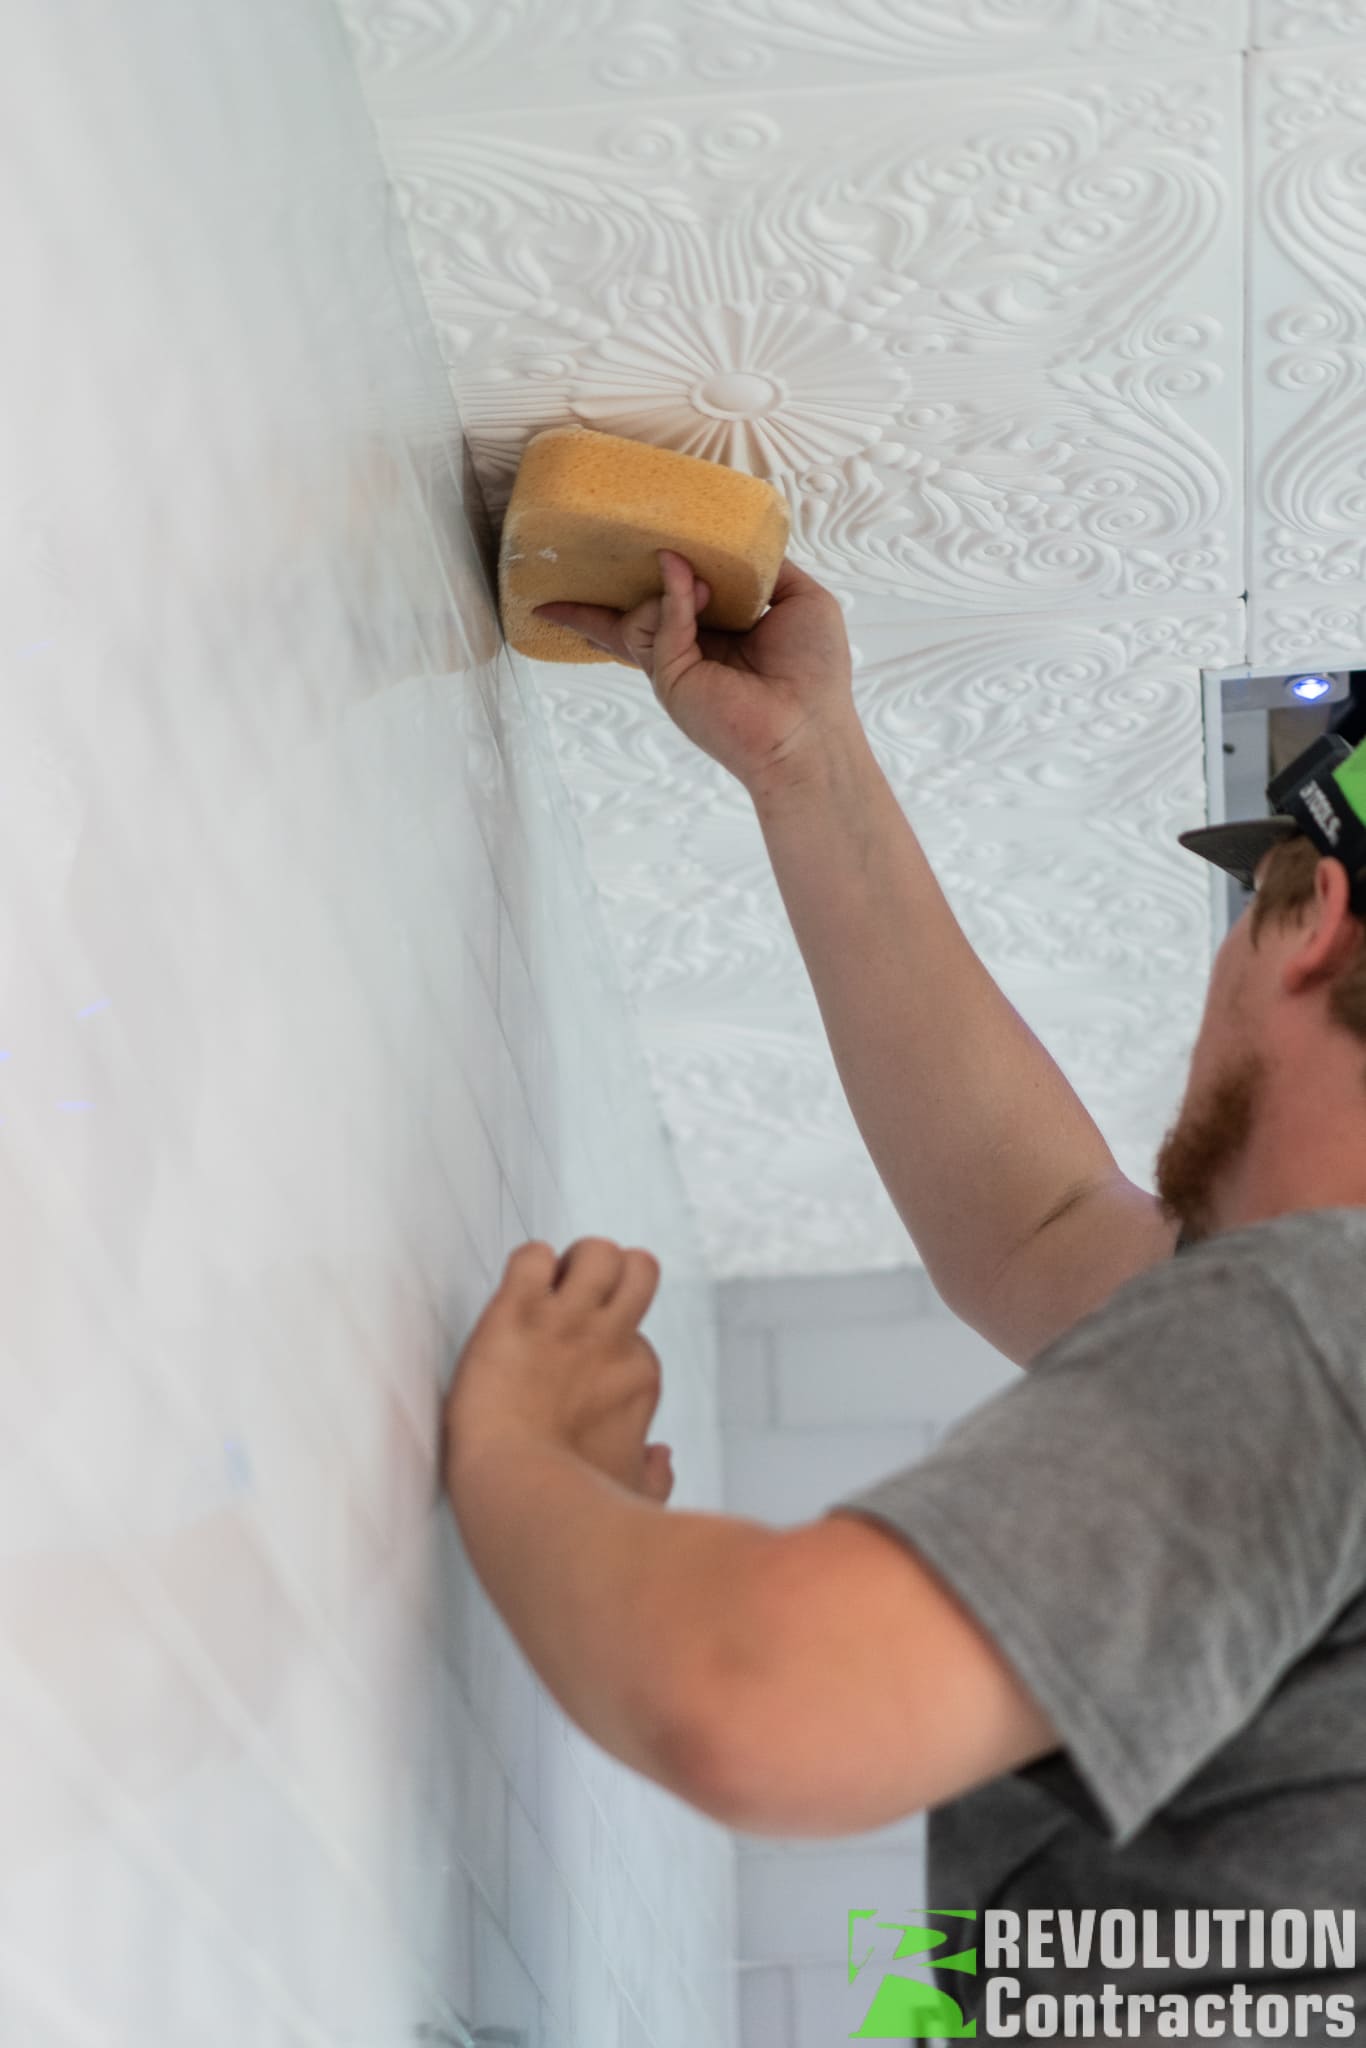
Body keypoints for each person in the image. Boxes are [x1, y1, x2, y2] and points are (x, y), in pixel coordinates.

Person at [446, 549, 1366, 2040]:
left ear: (1311, 919)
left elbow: (758, 1700)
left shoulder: (1325, 1328)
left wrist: (518, 1452)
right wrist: (804, 766)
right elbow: (1038, 1227)